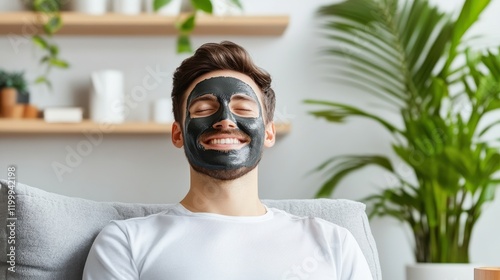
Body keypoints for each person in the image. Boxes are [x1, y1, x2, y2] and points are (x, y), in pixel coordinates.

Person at [82, 41, 373, 280]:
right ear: (178, 133)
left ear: (269, 132)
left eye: (243, 108)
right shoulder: (125, 243)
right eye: (204, 108)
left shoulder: (334, 244)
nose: (225, 121)